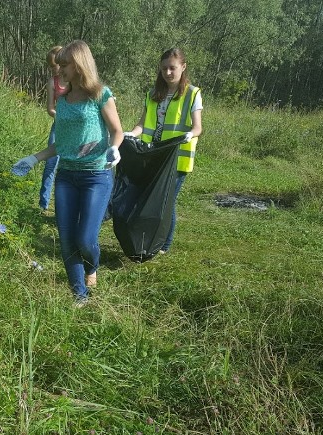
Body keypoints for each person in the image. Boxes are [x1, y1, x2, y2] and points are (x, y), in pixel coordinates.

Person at [12, 40, 124, 304]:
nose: (59, 69)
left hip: (96, 175)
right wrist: (34, 158)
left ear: (79, 64)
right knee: (66, 238)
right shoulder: (62, 102)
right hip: (67, 177)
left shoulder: (101, 94)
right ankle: (79, 295)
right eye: (59, 64)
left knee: (86, 238)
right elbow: (60, 145)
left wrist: (115, 149)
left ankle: (92, 266)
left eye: (64, 64)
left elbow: (117, 130)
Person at [124, 47, 203, 254]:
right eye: (164, 68)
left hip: (176, 159)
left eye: (172, 68)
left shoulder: (192, 94)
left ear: (183, 67)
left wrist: (189, 135)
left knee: (166, 201)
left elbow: (197, 128)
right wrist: (131, 133)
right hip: (154, 156)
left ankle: (163, 245)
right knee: (153, 198)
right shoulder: (153, 94)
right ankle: (149, 238)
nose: (168, 73)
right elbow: (142, 124)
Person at [39, 45, 68, 211]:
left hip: (75, 127)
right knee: (51, 162)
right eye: (51, 66)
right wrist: (60, 115)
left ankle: (64, 205)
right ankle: (43, 203)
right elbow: (50, 108)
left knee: (68, 165)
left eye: (54, 65)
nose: (53, 69)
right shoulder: (53, 82)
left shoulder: (74, 79)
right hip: (58, 126)